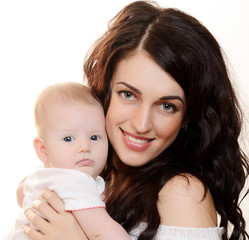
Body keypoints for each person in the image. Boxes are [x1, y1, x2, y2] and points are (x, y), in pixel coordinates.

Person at [22, 1, 249, 240]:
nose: (141, 125)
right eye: (128, 95)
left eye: (166, 106)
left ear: (187, 117)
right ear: (105, 89)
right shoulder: (94, 174)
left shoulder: (182, 193)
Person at [10, 82, 131, 240]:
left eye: (94, 137)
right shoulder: (75, 182)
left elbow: (21, 192)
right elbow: (102, 230)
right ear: (43, 150)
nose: (85, 147)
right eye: (68, 138)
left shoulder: (42, 176)